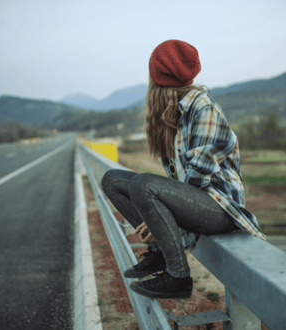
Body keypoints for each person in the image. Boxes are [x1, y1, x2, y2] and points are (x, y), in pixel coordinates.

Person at [101, 39, 266, 300]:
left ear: (159, 78)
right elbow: (180, 187)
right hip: (194, 202)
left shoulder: (203, 108)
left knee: (143, 183)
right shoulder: (174, 114)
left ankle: (178, 277)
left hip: (219, 210)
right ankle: (158, 256)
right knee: (113, 180)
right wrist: (157, 221)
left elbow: (195, 181)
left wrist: (160, 223)